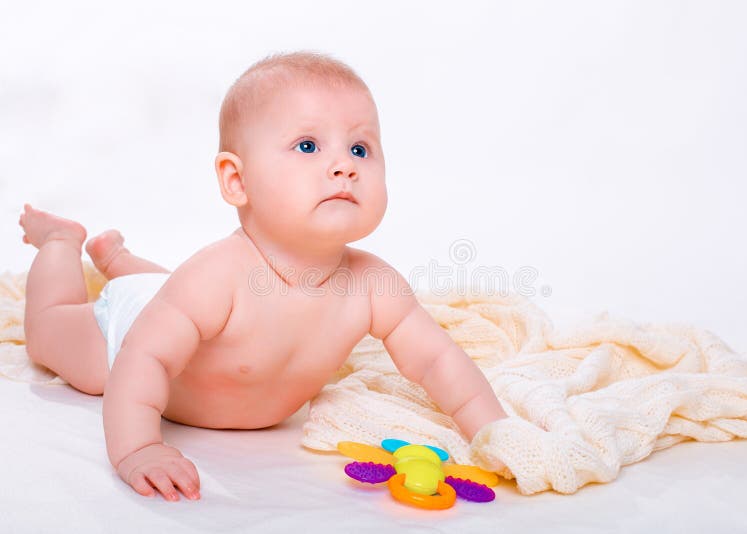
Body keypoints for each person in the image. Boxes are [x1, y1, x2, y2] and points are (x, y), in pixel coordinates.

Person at [17, 50, 508, 502]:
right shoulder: (217, 274)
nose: (343, 166)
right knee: (48, 333)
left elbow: (437, 360)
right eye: (309, 145)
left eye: (360, 149)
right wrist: (138, 447)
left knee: (177, 300)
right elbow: (144, 356)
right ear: (237, 180)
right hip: (123, 336)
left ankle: (119, 257)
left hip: (171, 302)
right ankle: (61, 242)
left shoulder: (374, 285)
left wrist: (494, 431)